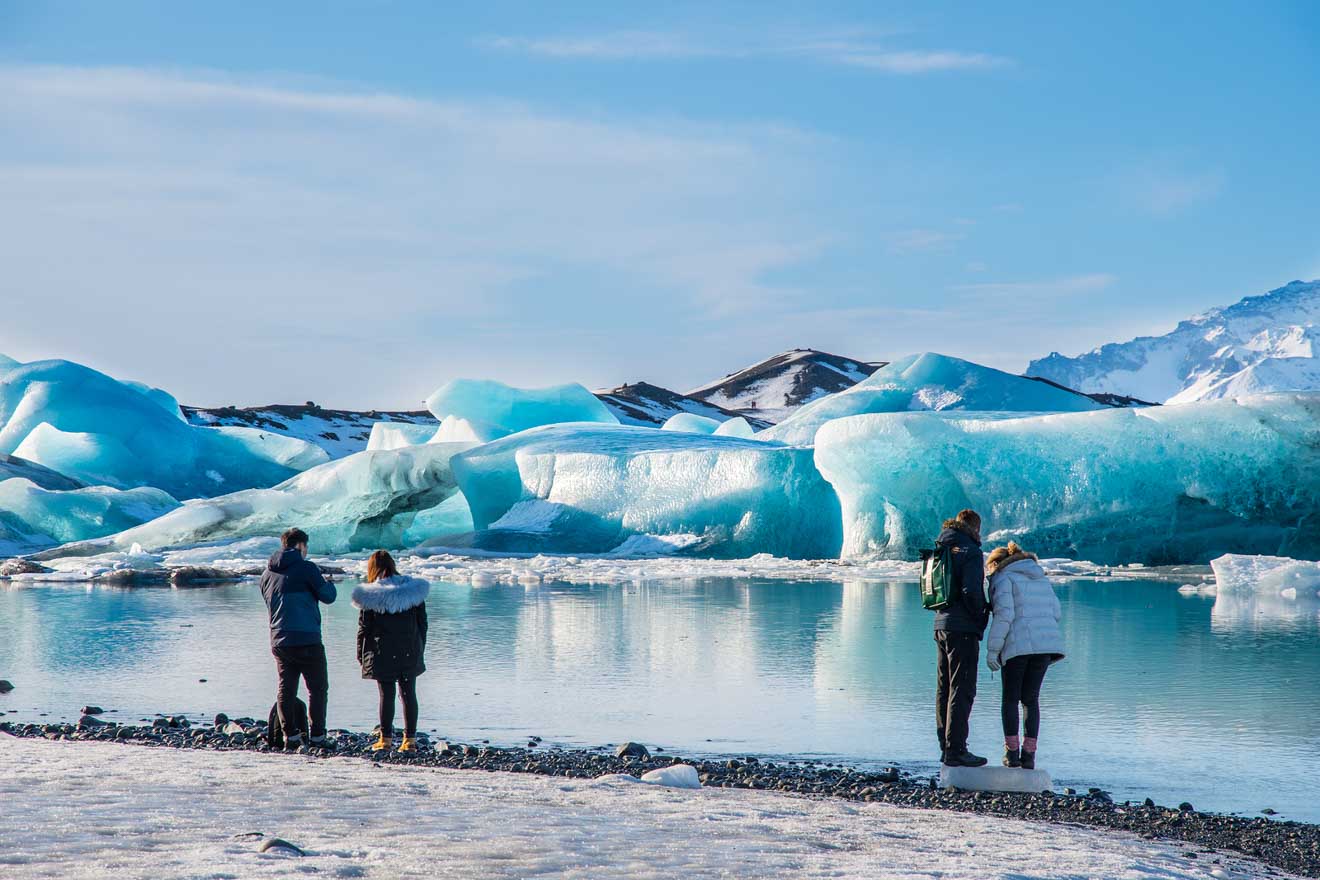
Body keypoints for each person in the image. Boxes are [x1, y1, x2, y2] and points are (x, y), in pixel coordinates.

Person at [985, 542, 1065, 769]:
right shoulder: (1041, 577)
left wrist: (993, 650)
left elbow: (1004, 616)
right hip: (1044, 648)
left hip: (1017, 648)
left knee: (1010, 698)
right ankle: (1029, 756)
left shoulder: (1003, 577)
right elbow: (1056, 613)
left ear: (996, 564)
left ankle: (1011, 754)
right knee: (1030, 700)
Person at [259, 527, 337, 750]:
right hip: (307, 638)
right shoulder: (307, 568)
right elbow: (328, 597)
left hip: (279, 639)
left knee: (286, 688)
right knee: (318, 688)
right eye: (306, 547)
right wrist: (329, 583)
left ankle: (290, 736)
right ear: (300, 546)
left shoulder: (266, 574)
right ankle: (318, 737)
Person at [353, 550, 430, 753]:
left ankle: (385, 739)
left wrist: (361, 653)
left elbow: (364, 629)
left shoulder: (370, 595)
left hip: (382, 652)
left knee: (386, 695)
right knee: (409, 694)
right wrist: (420, 646)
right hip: (410, 649)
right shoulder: (413, 591)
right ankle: (409, 741)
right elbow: (422, 623)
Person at [932, 508, 990, 767]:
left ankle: (946, 748)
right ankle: (957, 750)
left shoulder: (942, 547)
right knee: (962, 688)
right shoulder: (971, 551)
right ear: (975, 529)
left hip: (941, 624)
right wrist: (981, 616)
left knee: (944, 688)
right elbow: (970, 591)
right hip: (962, 628)